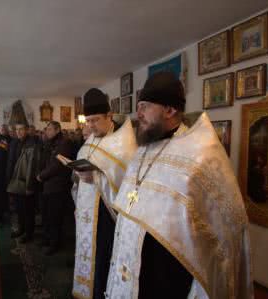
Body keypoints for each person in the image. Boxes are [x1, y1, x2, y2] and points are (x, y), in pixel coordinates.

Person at [105, 72, 253, 298]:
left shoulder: (201, 155)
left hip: (170, 271)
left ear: (170, 110)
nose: (139, 113)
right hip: (133, 261)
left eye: (145, 106)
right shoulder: (144, 148)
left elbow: (226, 228)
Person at [72, 88, 137, 299]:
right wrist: (78, 174)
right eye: (87, 121)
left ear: (109, 116)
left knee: (103, 261)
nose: (90, 126)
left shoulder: (125, 144)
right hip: (87, 215)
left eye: (95, 120)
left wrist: (97, 178)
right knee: (88, 257)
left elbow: (128, 184)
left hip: (107, 218)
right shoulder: (92, 139)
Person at [37, 121, 74, 255]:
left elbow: (57, 165)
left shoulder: (64, 143)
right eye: (46, 129)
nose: (47, 131)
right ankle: (47, 239)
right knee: (46, 215)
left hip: (57, 186)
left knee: (54, 217)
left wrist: (42, 176)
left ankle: (55, 244)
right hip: (47, 185)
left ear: (58, 130)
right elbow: (44, 161)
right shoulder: (49, 143)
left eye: (50, 129)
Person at [7, 123, 41, 243]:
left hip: (26, 181)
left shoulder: (33, 144)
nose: (18, 132)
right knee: (19, 209)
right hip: (15, 180)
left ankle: (29, 233)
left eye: (21, 129)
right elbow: (10, 161)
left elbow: (33, 166)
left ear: (27, 130)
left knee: (28, 210)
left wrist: (30, 185)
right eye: (17, 129)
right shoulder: (14, 142)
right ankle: (21, 229)